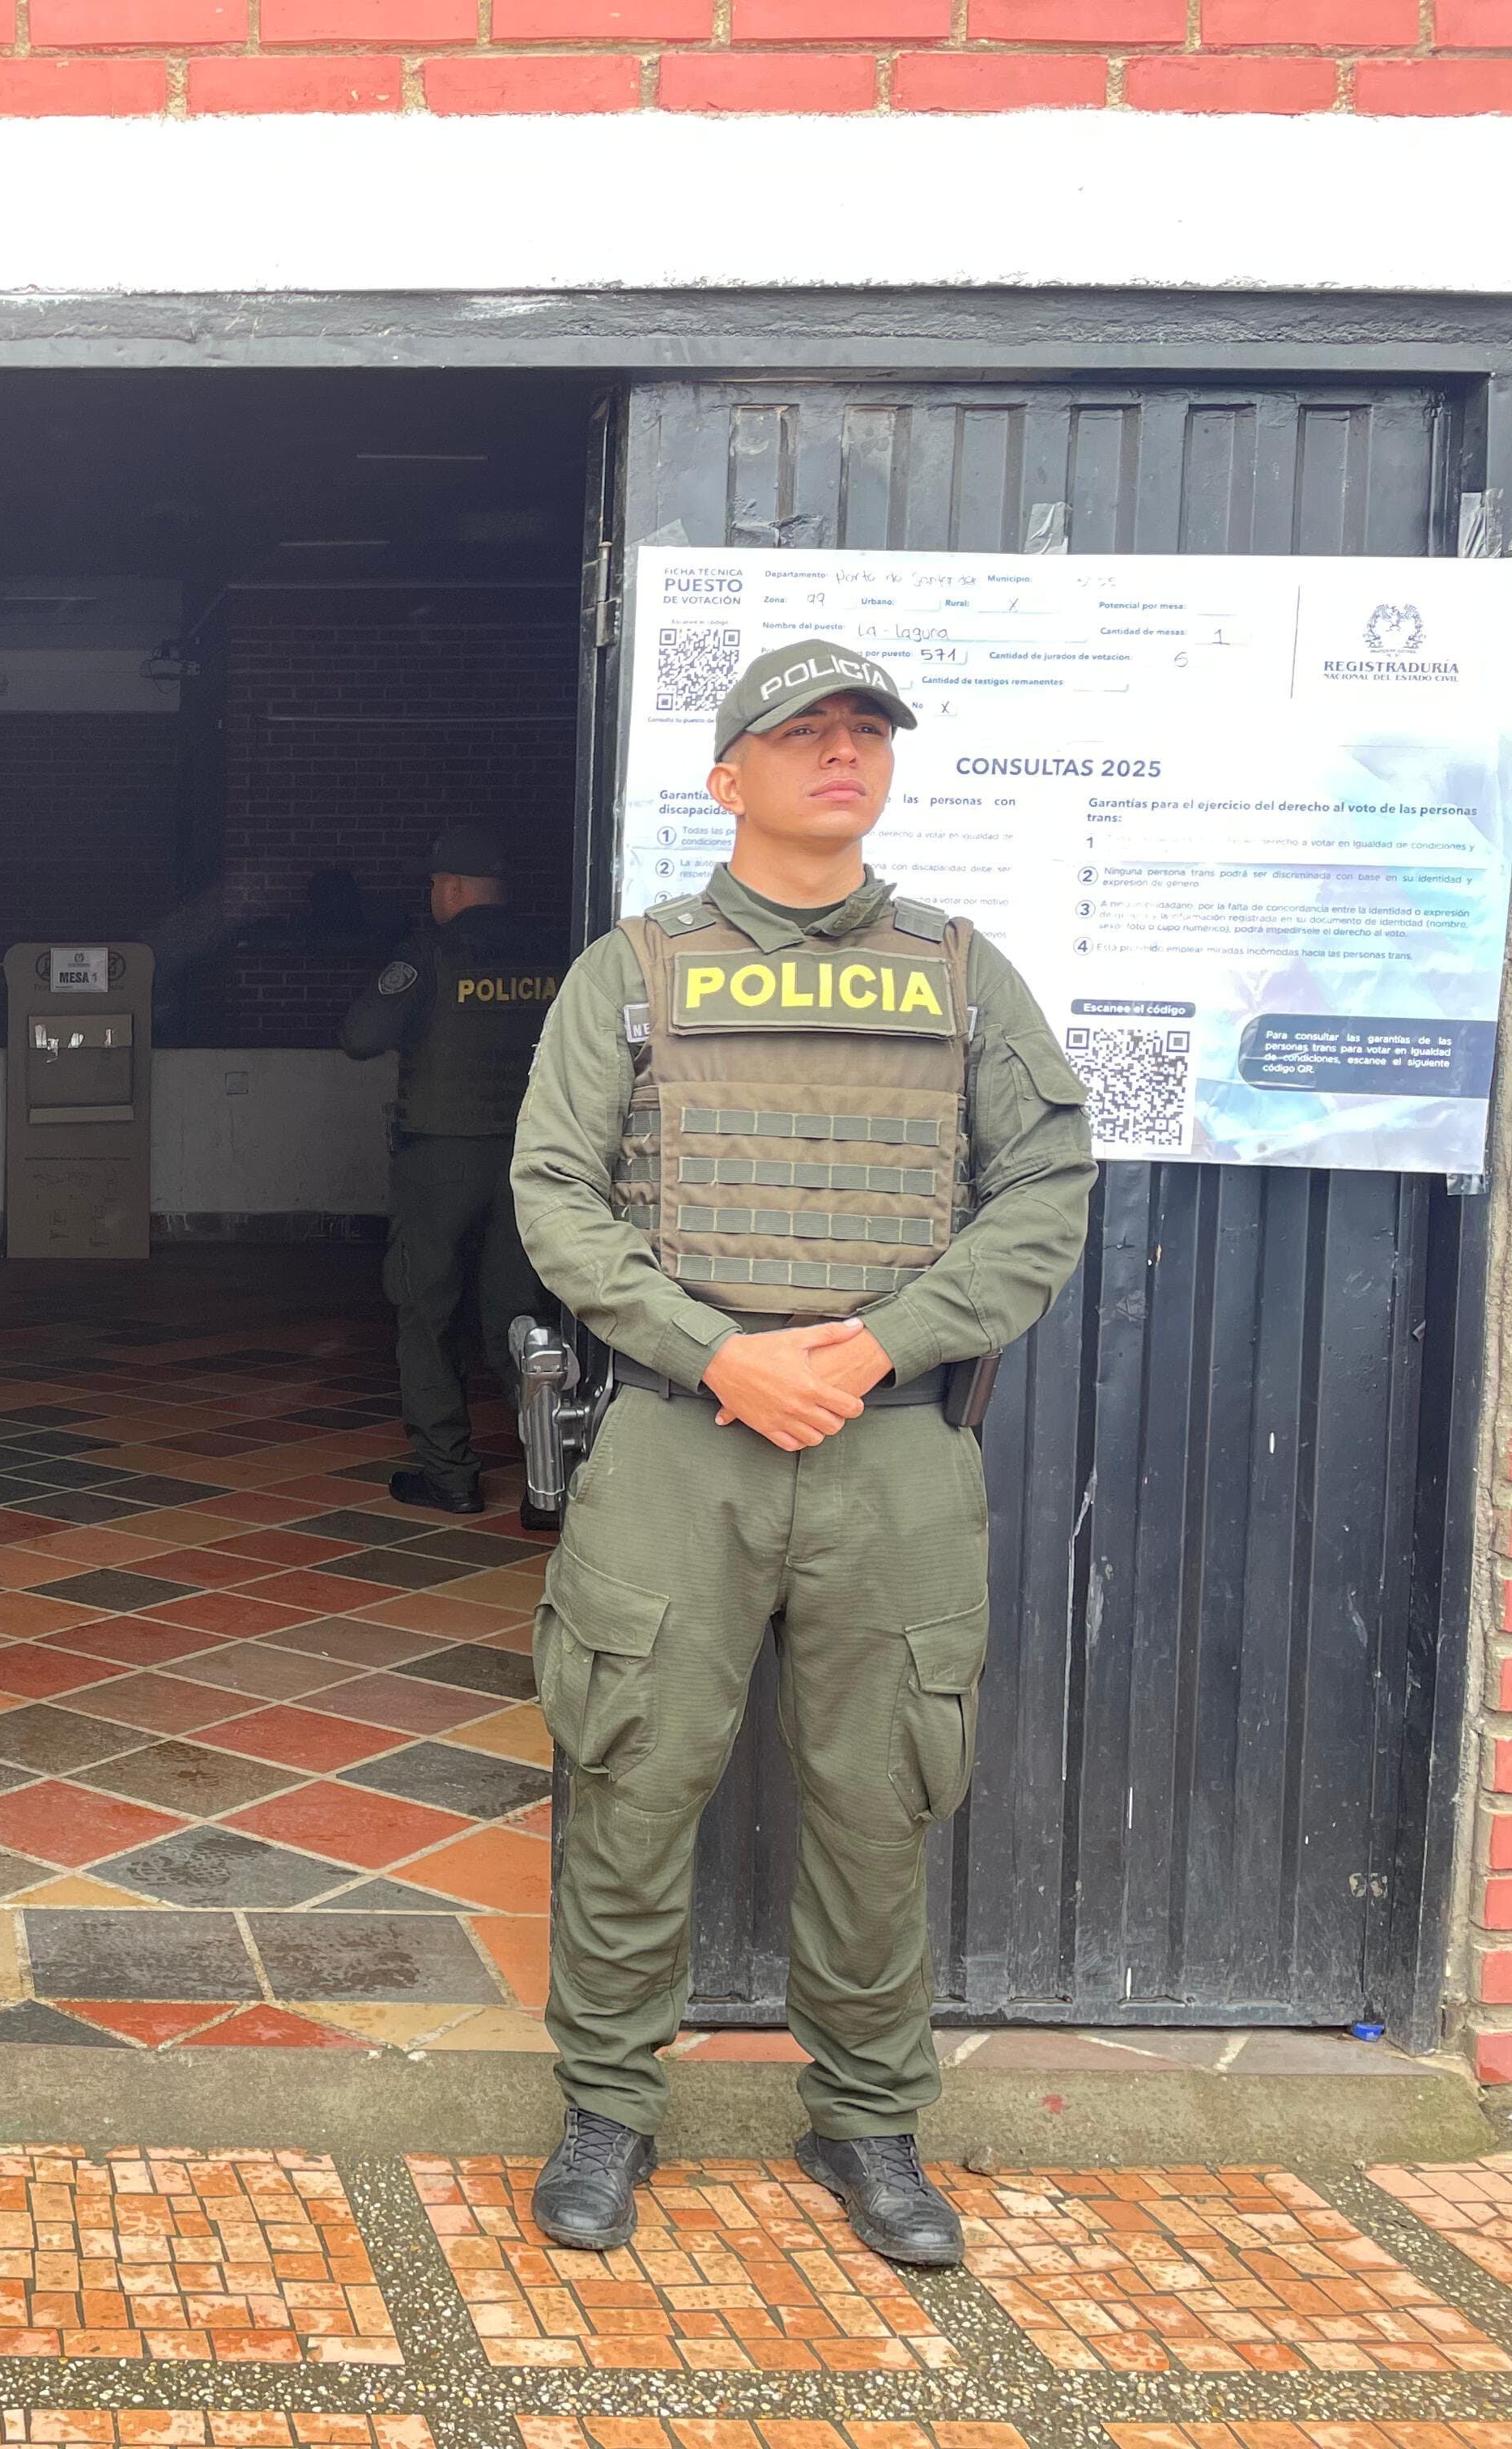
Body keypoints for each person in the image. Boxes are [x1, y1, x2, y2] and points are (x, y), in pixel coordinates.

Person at [509, 641, 1092, 2268]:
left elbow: (1047, 1187)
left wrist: (886, 1338)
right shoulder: (630, 972)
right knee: (630, 1775)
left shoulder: (962, 975)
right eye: (803, 734)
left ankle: (868, 2121)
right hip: (677, 1439)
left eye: (864, 734)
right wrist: (717, 1350)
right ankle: (608, 2106)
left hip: (887, 1445)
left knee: (878, 1792)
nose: (842, 755)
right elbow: (555, 1190)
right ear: (728, 778)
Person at [341, 824, 568, 1516]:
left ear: (455, 888)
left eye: (436, 885)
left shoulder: (430, 954)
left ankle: (449, 1474)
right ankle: (550, 1480)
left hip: (441, 1158)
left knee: (427, 1310)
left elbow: (360, 1036)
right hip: (532, 1157)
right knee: (522, 1318)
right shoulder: (557, 951)